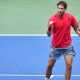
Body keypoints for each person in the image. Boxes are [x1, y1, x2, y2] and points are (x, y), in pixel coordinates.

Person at [45, 1, 80, 80]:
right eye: (58, 8)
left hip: (67, 46)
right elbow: (48, 34)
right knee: (49, 66)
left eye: (62, 8)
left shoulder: (70, 17)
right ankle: (47, 79)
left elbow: (76, 29)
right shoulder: (52, 19)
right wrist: (49, 28)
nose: (60, 10)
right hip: (55, 47)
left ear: (65, 9)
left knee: (69, 66)